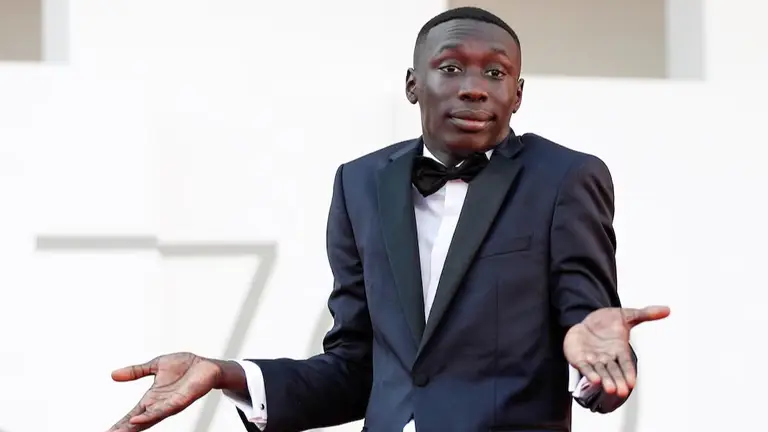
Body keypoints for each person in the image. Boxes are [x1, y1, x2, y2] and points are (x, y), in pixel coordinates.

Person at [106, 6, 670, 432]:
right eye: (451, 67)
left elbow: (594, 339)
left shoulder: (565, 178)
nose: (475, 88)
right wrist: (226, 373)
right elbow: (356, 367)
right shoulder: (360, 183)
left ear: (517, 94)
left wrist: (599, 372)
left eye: (497, 74)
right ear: (412, 84)